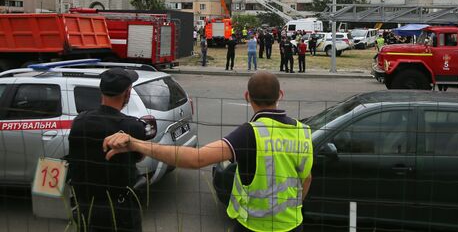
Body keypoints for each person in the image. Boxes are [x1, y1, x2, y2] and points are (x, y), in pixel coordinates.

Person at [103, 72, 313, 232]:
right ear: (281, 95)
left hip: (254, 227)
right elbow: (306, 179)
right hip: (293, 225)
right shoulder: (302, 131)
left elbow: (197, 158)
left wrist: (136, 144)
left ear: (247, 96)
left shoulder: (250, 134)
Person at [68, 68, 147, 232]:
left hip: (87, 207)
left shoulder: (79, 121)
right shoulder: (133, 126)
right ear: (127, 93)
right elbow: (140, 157)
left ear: (101, 91)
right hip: (120, 210)